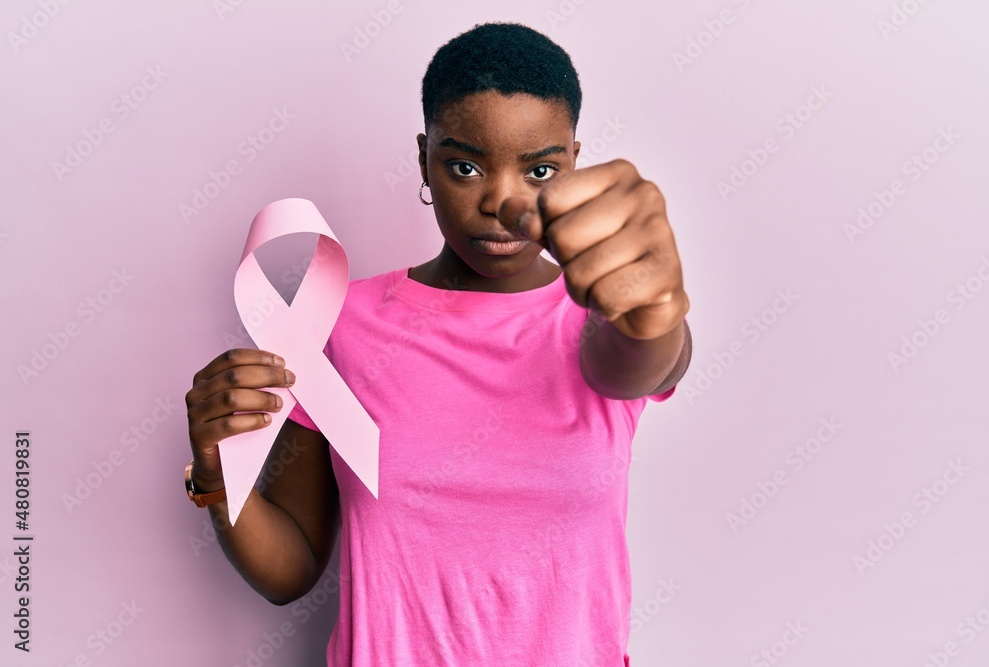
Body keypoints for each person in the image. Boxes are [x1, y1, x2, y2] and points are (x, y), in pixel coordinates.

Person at [184, 21, 693, 666]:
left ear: (572, 163)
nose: (502, 202)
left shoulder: (603, 314)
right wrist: (215, 474)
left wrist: (655, 309)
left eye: (539, 168)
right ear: (424, 156)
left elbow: (642, 359)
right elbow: (293, 569)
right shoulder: (341, 323)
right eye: (464, 165)